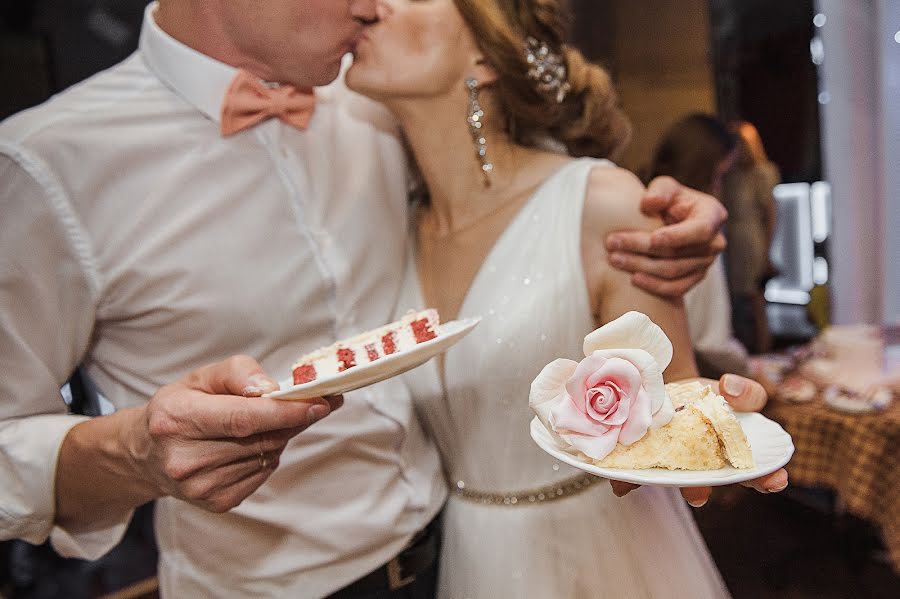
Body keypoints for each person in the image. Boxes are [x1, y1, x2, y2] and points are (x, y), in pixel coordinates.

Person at [0, 1, 780, 597]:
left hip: (454, 555)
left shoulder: (370, 103)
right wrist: (134, 449)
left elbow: (526, 195)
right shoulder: (50, 165)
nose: (373, 3)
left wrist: (692, 215)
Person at [345, 3, 785, 597]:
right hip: (469, 559)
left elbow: (677, 392)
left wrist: (724, 414)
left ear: (485, 51)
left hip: (604, 556)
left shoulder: (602, 205)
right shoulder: (392, 233)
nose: (367, 6)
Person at [647, 113, 750, 378]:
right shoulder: (696, 237)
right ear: (702, 170)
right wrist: (750, 370)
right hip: (677, 378)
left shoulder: (636, 211)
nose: (719, 190)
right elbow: (711, 342)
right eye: (720, 177)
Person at [721, 120, 780, 354]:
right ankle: (742, 354)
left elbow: (771, 215)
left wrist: (766, 252)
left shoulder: (762, 173)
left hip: (750, 239)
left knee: (756, 299)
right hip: (730, 240)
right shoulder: (728, 174)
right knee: (732, 302)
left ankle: (764, 352)